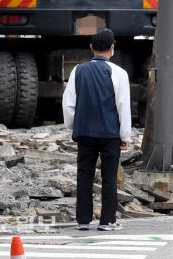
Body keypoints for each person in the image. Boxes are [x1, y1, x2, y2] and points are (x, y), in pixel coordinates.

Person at [62, 28, 131, 231]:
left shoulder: (78, 70)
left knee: (84, 174)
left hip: (85, 132)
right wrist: (125, 135)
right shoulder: (119, 73)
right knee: (109, 177)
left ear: (91, 47)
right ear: (112, 48)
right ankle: (107, 220)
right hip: (110, 133)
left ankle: (83, 220)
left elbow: (68, 103)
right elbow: (122, 105)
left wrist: (72, 125)